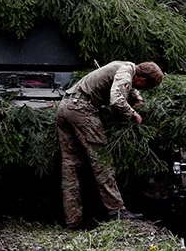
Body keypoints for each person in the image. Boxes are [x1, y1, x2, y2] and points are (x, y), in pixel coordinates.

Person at [56, 61, 164, 231]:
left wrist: (136, 96)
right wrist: (133, 114)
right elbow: (116, 97)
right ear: (141, 77)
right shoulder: (127, 70)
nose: (142, 88)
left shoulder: (124, 66)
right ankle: (117, 211)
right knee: (102, 162)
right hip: (82, 109)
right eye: (145, 86)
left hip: (65, 107)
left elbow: (124, 83)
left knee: (70, 166)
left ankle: (73, 220)